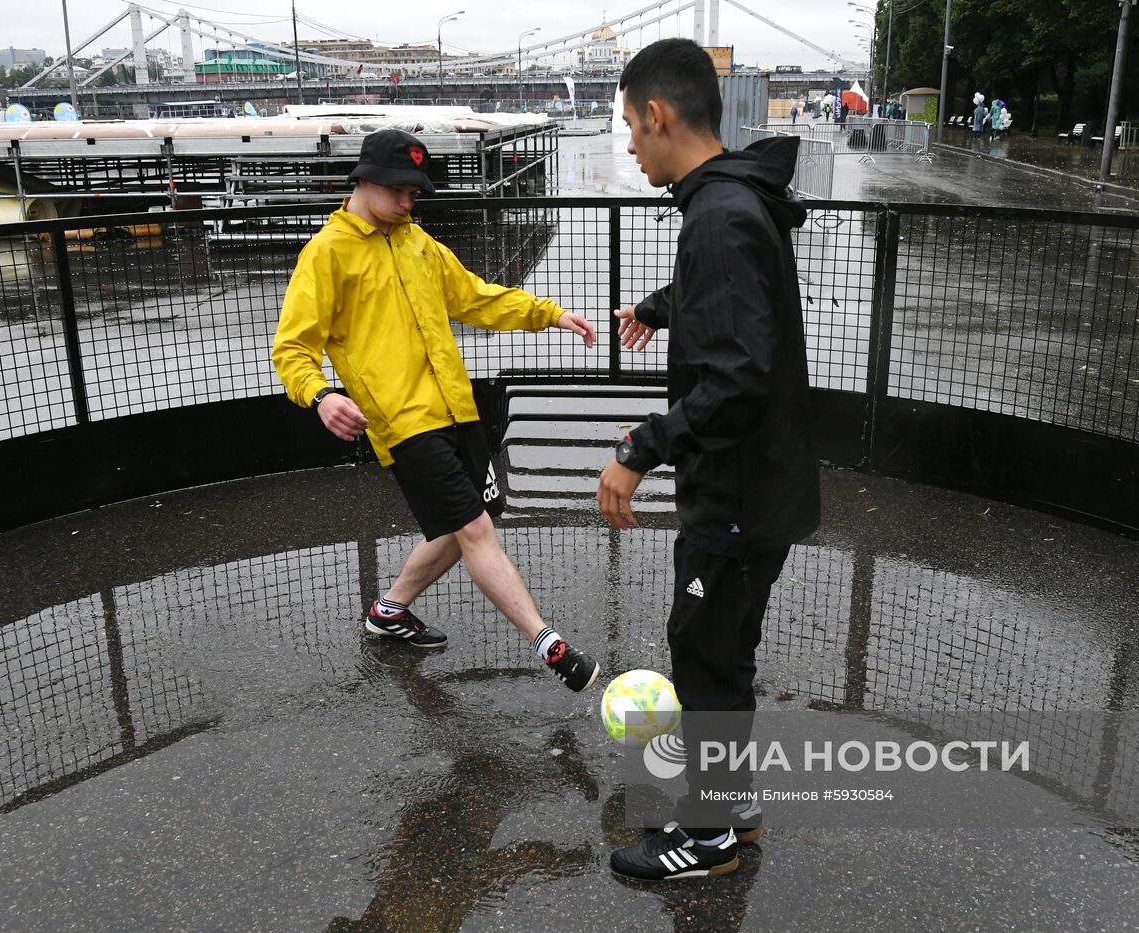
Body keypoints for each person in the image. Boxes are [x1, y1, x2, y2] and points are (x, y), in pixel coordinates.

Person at [597, 38, 820, 881]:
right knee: (721, 646)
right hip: (759, 487)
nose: (628, 144)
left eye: (628, 126)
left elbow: (735, 379)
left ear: (659, 115)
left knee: (704, 651)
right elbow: (737, 301)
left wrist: (638, 448)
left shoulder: (719, 216)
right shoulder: (733, 197)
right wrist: (664, 305)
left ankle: (712, 833)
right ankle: (732, 805)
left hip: (735, 493)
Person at [271, 128, 602, 693]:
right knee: (473, 526)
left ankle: (390, 610)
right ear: (364, 181)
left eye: (414, 193)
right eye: (398, 190)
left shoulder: (419, 243)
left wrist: (550, 313)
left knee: (472, 517)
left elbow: (476, 297)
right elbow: (293, 347)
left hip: (456, 406)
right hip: (402, 421)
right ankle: (551, 645)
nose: (407, 202)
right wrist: (321, 395)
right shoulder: (326, 254)